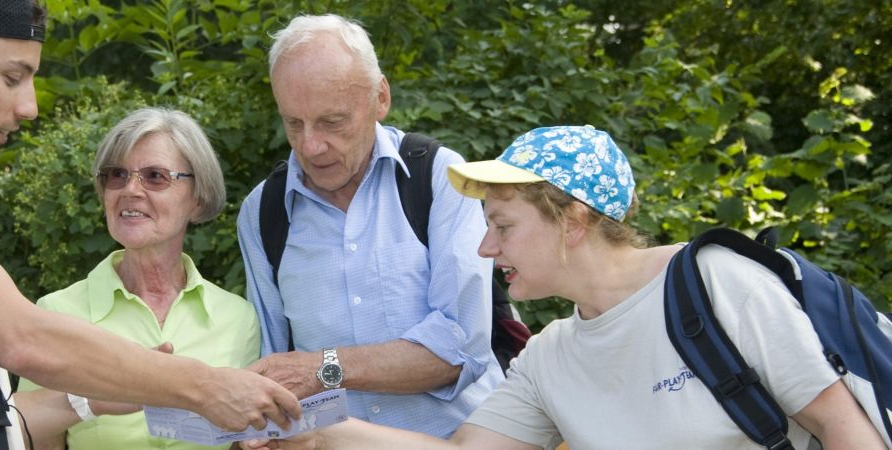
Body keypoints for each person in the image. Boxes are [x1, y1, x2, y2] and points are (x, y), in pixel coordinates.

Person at [0, 2, 299, 449]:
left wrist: (90, 399)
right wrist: (204, 385)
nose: (29, 107)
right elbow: (22, 338)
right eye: (12, 77)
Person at [243, 125, 885, 450]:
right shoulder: (549, 356)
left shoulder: (717, 283)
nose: (485, 249)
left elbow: (845, 429)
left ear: (572, 221)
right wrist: (314, 432)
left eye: (502, 226)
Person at [236, 14, 500, 438]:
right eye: (293, 123)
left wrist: (323, 369)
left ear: (381, 98)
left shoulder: (438, 177)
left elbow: (460, 350)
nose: (310, 146)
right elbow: (273, 364)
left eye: (332, 122)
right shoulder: (263, 211)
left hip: (461, 440)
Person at [13, 107, 261, 450]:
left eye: (155, 176)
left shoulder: (238, 319)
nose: (130, 189)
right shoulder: (56, 314)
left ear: (198, 197)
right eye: (116, 175)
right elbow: (33, 441)